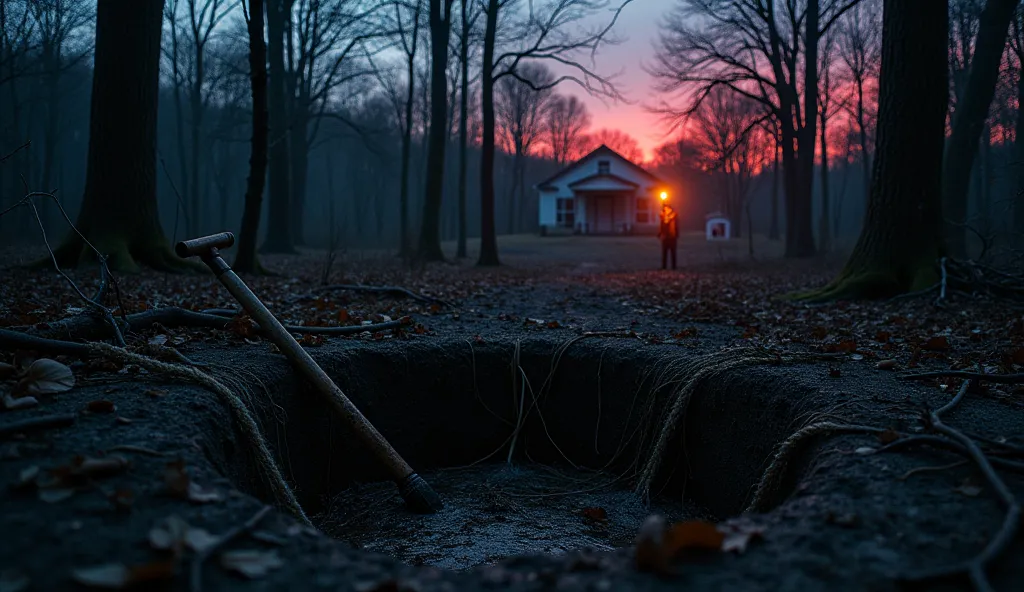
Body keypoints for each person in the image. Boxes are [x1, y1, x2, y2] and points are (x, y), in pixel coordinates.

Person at [658, 203, 679, 270]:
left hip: (672, 237)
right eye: (664, 208)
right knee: (664, 252)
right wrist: (660, 233)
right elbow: (662, 226)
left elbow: (670, 222)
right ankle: (664, 266)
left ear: (670, 209)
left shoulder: (673, 215)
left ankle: (674, 267)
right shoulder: (663, 216)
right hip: (665, 237)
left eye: (666, 208)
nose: (665, 210)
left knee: (673, 252)